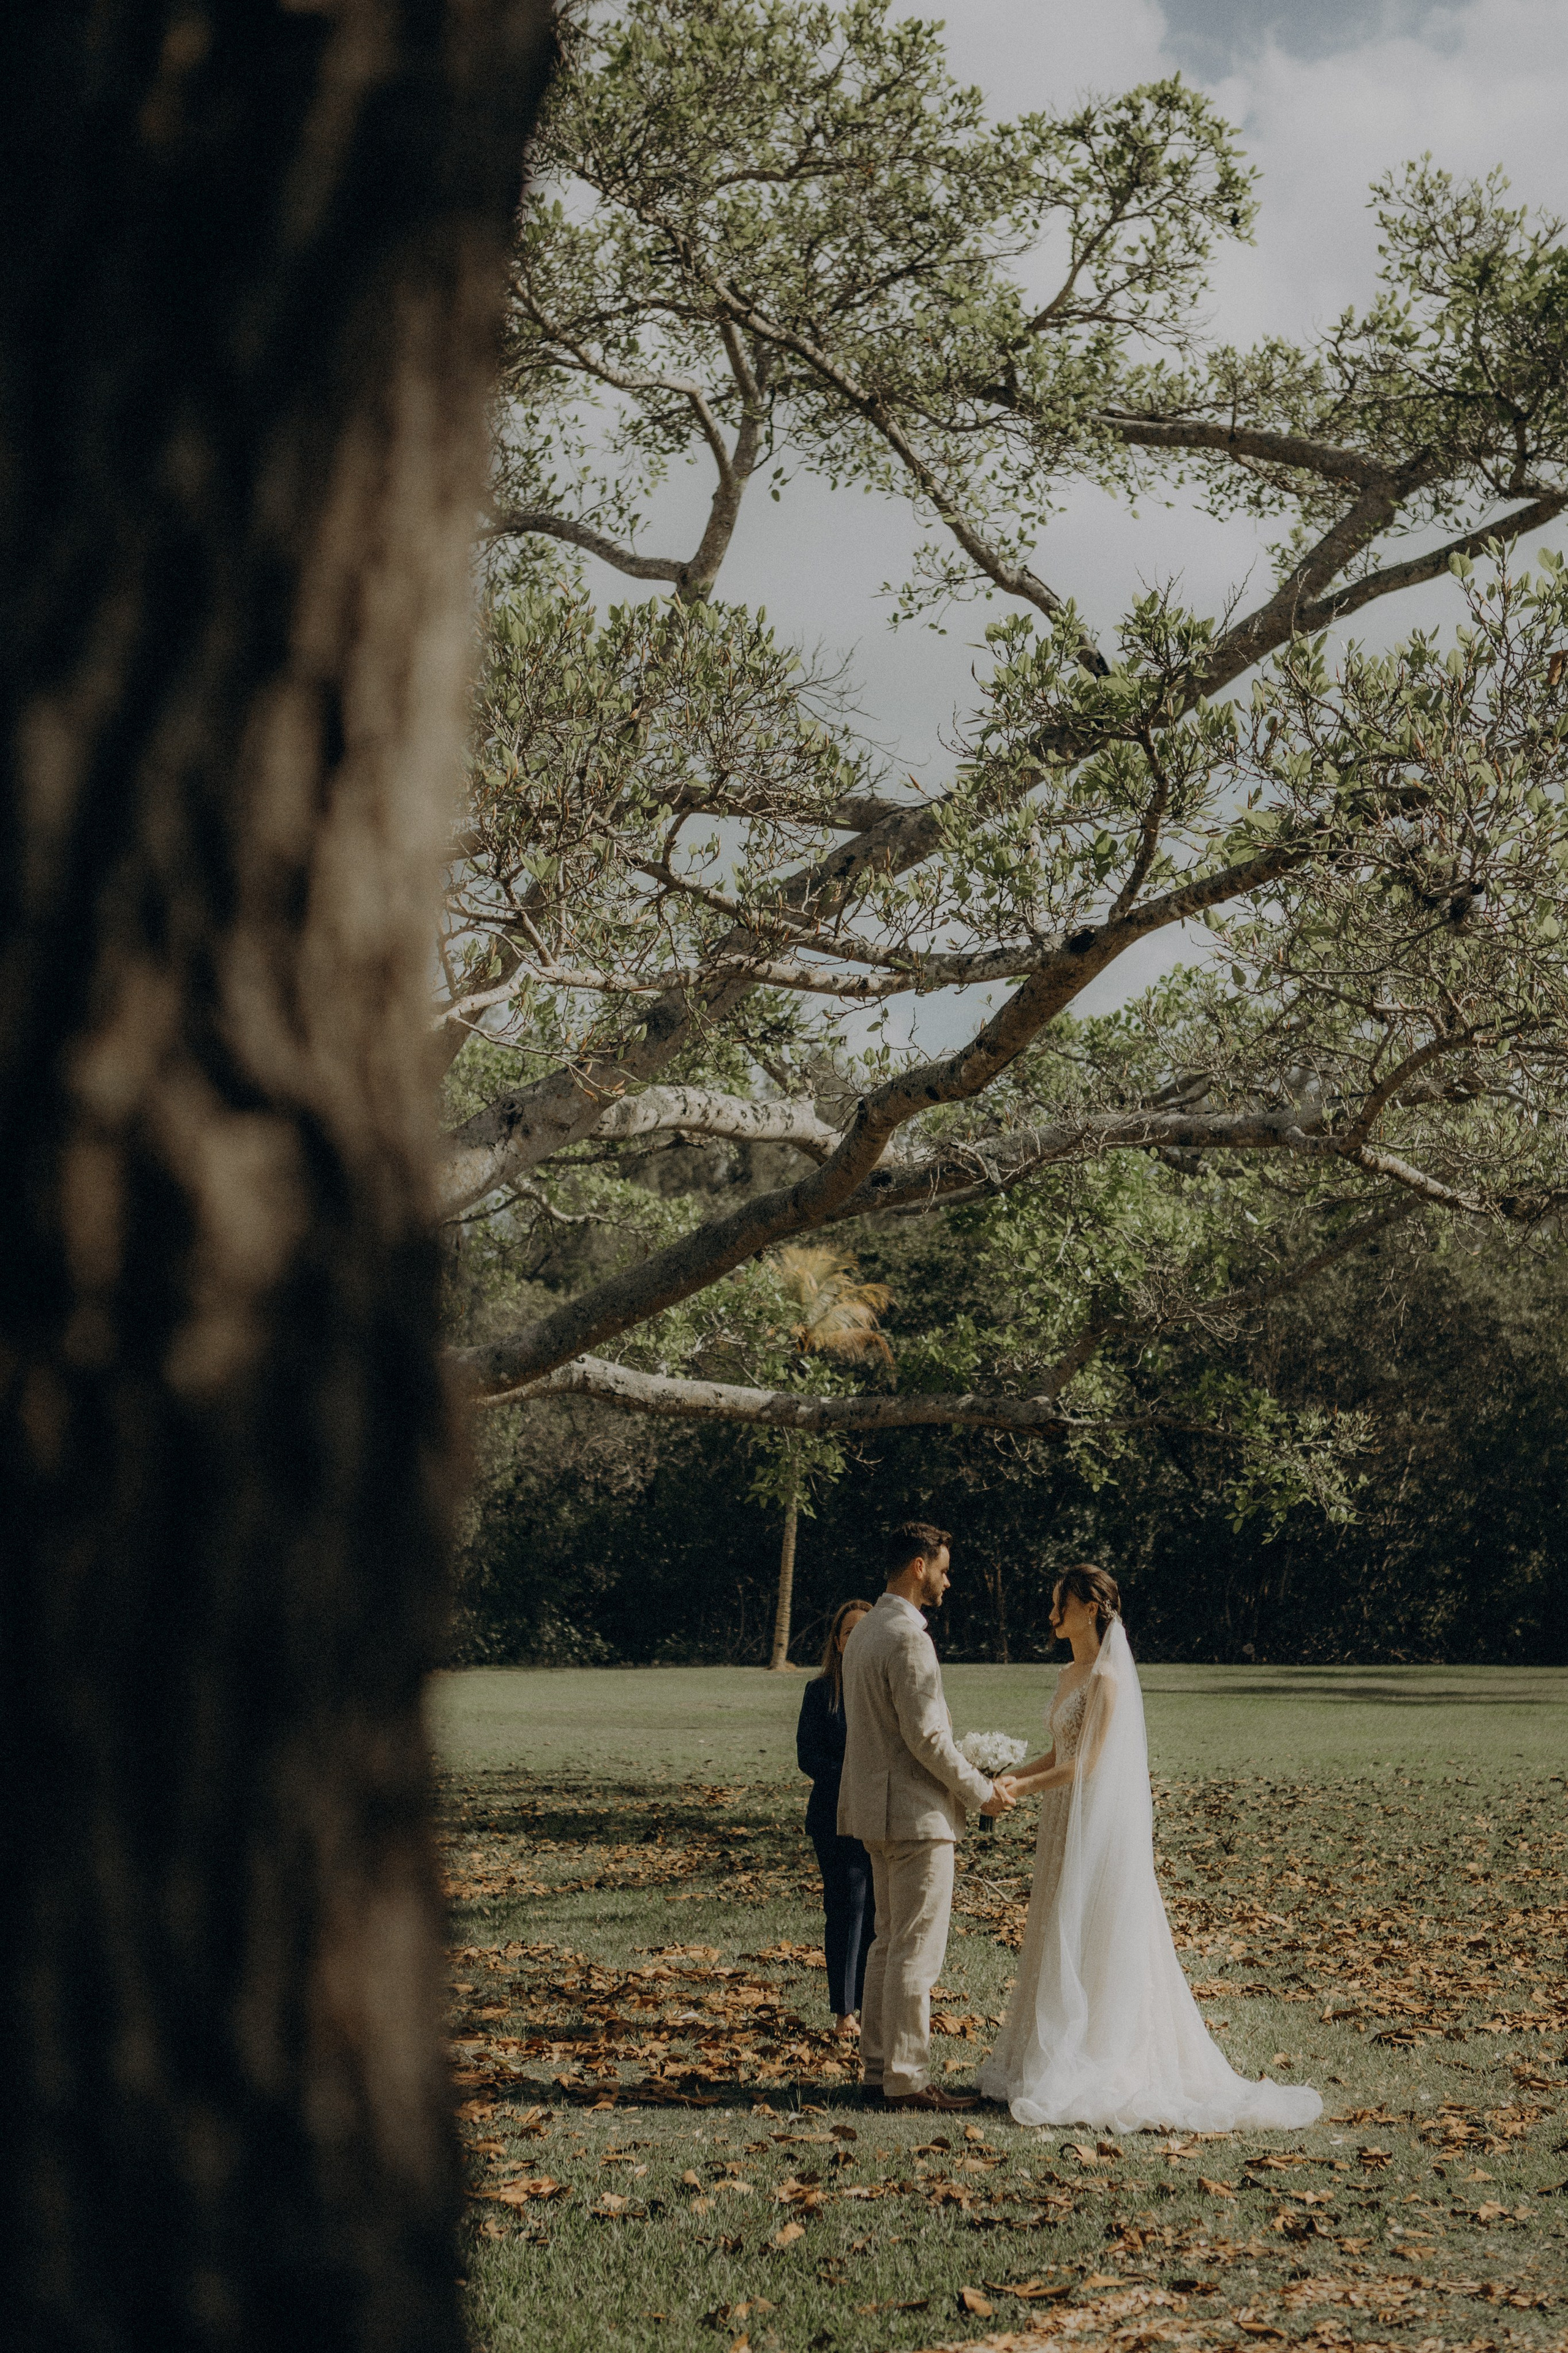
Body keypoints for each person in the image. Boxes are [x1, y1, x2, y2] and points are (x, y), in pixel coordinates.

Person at [978, 1565, 1322, 2132]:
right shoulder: (1069, 1673)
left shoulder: (1108, 1679)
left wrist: (1024, 1788)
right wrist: (1008, 1777)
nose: (1050, 1615)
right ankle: (1044, 2045)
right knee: (1057, 1923)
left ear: (1090, 1608)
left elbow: (1089, 1765)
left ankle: (1102, 2047)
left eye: (1059, 1605)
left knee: (1094, 1925)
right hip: (1061, 1820)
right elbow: (1060, 1749)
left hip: (1092, 1820)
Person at [837, 1519, 1016, 2112]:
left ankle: (876, 2068)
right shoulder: (908, 1636)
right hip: (915, 1815)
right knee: (915, 1949)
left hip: (873, 1812)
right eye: (942, 1567)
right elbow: (927, 1739)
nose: (947, 1579)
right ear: (919, 1566)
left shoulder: (863, 1632)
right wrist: (979, 1791)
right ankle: (908, 2077)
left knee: (887, 1944)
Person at [796, 1599, 876, 2038]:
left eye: (865, 1632)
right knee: (847, 1906)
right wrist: (850, 1776)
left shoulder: (883, 1686)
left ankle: (870, 2004)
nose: (856, 1639)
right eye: (849, 1632)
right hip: (833, 1816)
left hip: (880, 1816)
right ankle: (845, 2011)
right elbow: (807, 1754)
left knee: (878, 1910)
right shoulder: (820, 1691)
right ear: (838, 1641)